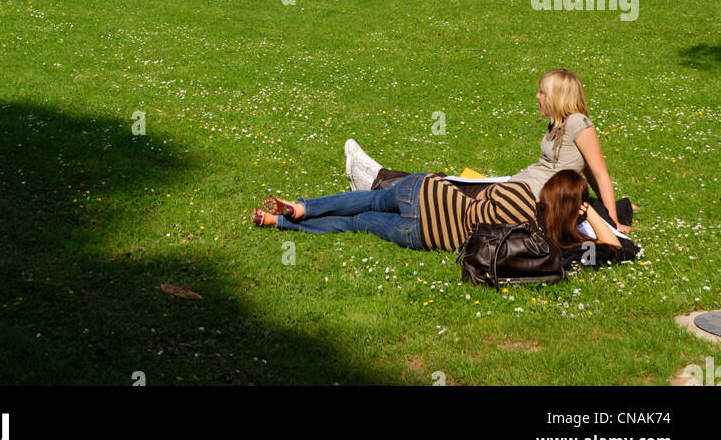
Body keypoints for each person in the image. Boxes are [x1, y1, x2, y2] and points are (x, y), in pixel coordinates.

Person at [345, 68, 633, 234]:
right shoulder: (558, 124)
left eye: (542, 92)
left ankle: (377, 182)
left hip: (525, 199)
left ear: (557, 96)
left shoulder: (578, 124)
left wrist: (612, 221)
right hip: (517, 186)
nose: (537, 96)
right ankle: (381, 180)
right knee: (454, 184)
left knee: (449, 190)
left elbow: (598, 173)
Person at [250, 169, 634, 267]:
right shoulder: (547, 242)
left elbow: (481, 191)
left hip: (427, 192)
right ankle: (279, 223)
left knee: (368, 199)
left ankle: (304, 208)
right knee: (358, 223)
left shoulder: (520, 192)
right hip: (425, 232)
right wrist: (588, 215)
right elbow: (615, 248)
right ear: (575, 209)